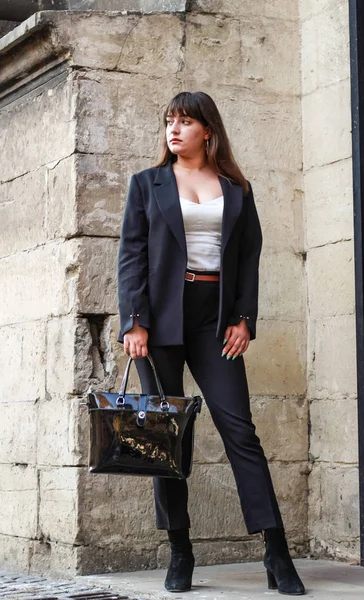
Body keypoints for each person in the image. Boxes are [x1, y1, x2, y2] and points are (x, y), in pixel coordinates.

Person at [117, 91, 305, 596]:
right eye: (168, 122)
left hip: (214, 320)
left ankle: (276, 552)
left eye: (184, 122)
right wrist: (134, 322)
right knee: (166, 436)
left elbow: (248, 259)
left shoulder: (236, 188)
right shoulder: (146, 185)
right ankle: (181, 550)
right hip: (158, 324)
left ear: (208, 130)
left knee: (240, 431)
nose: (173, 130)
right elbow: (131, 256)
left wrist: (244, 319)